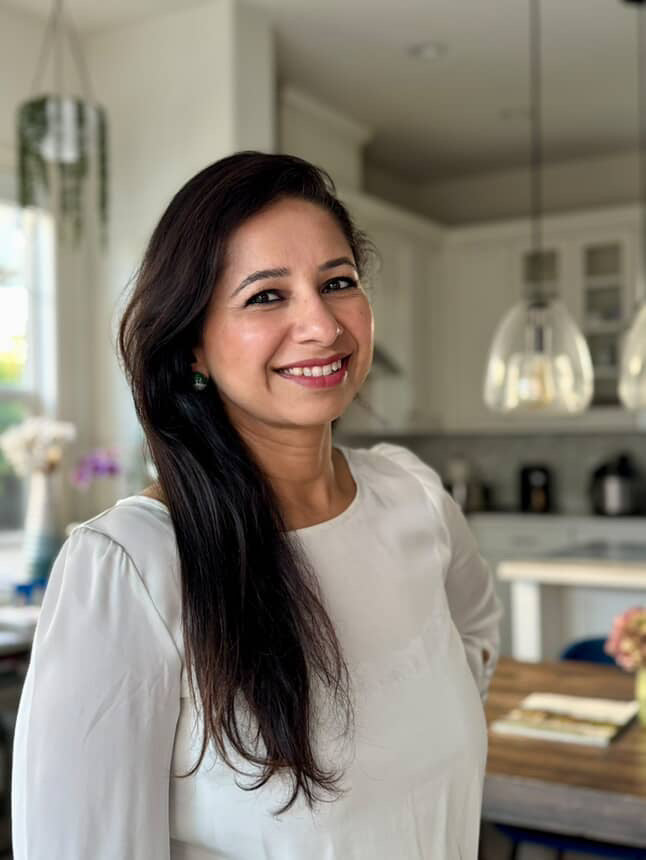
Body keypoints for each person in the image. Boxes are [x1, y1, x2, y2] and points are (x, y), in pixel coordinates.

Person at [11, 152, 502, 859]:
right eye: (267, 296)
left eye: (338, 282)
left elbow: (476, 626)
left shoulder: (413, 495)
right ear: (194, 347)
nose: (323, 325)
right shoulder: (132, 569)